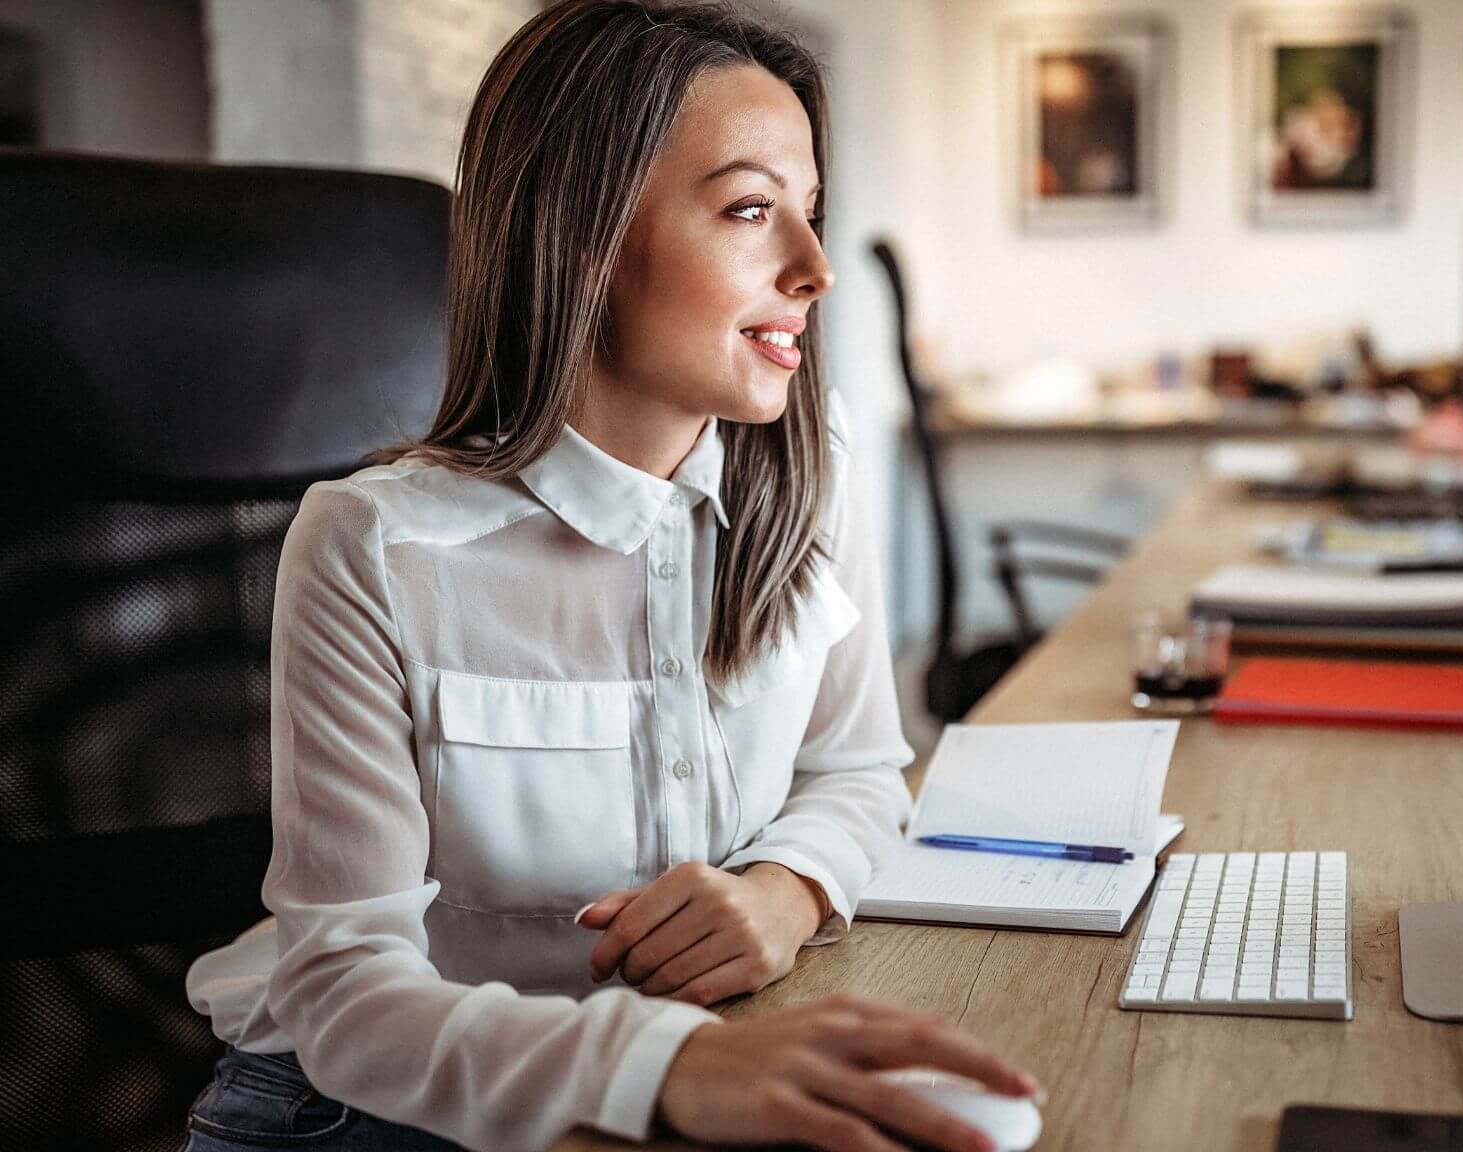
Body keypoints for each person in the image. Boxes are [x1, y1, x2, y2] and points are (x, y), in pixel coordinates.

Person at [180, 4, 1035, 1150]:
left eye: (812, 216)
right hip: (362, 1109)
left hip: (694, 1073)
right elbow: (344, 996)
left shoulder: (809, 480)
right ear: (579, 235)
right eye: (749, 211)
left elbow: (861, 769)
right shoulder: (371, 548)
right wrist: (668, 1064)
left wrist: (784, 893)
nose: (815, 269)